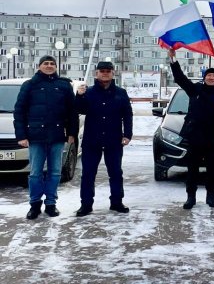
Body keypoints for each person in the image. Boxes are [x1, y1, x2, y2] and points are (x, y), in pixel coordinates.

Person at [14, 55, 78, 219]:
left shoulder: (63, 85)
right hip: (35, 137)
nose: (49, 66)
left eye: (52, 64)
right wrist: (21, 135)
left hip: (57, 136)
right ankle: (34, 205)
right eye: (46, 63)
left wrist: (72, 133)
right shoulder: (30, 85)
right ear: (39, 66)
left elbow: (72, 112)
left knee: (55, 172)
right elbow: (19, 111)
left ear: (56, 67)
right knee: (35, 173)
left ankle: (51, 204)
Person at [169, 49, 214, 209]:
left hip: (212, 138)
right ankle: (190, 197)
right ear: (204, 77)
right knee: (192, 169)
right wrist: (173, 60)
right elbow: (180, 78)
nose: (211, 77)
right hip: (194, 136)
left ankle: (211, 196)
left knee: (211, 170)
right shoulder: (195, 90)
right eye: (209, 75)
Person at [74, 61, 133, 217]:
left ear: (113, 73)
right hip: (92, 140)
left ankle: (116, 202)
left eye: (108, 71)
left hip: (114, 140)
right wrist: (79, 96)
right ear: (96, 73)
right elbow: (80, 110)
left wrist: (127, 134)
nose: (105, 73)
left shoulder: (121, 93)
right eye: (102, 71)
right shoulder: (89, 92)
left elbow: (127, 115)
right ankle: (86, 205)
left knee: (115, 173)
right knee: (88, 174)